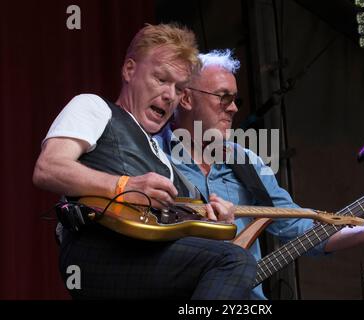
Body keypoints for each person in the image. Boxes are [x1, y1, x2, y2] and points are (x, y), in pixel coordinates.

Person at [33, 24, 258, 299]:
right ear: (129, 70)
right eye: (161, 79)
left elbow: (192, 232)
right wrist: (124, 185)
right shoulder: (94, 107)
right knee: (233, 261)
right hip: (98, 252)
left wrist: (220, 224)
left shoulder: (166, 162)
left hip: (149, 260)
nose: (169, 95)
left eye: (178, 88)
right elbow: (49, 167)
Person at [156, 49, 364, 299]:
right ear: (186, 99)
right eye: (223, 97)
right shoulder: (152, 154)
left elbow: (299, 227)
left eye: (235, 99)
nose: (234, 108)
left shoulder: (246, 161)